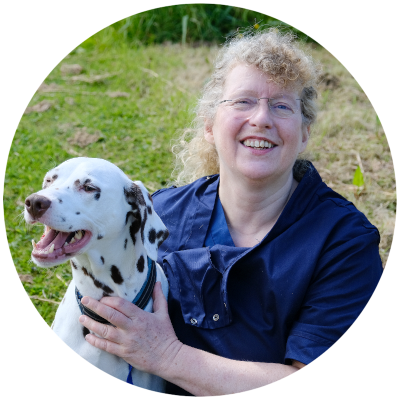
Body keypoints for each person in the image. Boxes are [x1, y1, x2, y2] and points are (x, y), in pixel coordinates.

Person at [78, 28, 383, 396]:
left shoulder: (345, 243)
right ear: (209, 126)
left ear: (304, 135)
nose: (261, 118)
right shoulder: (159, 216)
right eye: (243, 102)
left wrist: (166, 356)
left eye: (282, 106)